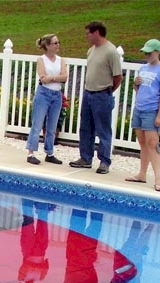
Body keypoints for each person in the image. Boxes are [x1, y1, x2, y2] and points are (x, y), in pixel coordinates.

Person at [69, 21, 123, 174]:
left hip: (102, 95)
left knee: (103, 129)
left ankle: (104, 161)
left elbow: (118, 76)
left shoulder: (111, 51)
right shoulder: (91, 50)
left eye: (88, 33)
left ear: (97, 32)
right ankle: (85, 158)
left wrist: (107, 91)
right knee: (86, 128)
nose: (87, 36)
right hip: (88, 93)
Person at [125, 39, 160, 192]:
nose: (147, 56)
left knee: (153, 144)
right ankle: (142, 173)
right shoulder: (143, 68)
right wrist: (136, 84)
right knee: (143, 143)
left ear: (157, 52)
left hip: (152, 110)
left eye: (149, 53)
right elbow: (140, 90)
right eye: (145, 53)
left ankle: (158, 178)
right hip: (139, 108)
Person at [55, 209, 103, 283]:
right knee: (95, 224)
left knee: (76, 222)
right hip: (84, 257)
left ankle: (81, 201)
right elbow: (94, 281)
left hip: (73, 254)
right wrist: (87, 265)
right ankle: (98, 204)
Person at [26, 34, 68, 165]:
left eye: (58, 42)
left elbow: (65, 77)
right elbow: (43, 79)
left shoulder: (61, 60)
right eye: (55, 43)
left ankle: (49, 152)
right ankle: (31, 153)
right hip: (43, 94)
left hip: (57, 95)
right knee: (37, 124)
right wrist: (56, 77)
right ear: (48, 45)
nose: (58, 45)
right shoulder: (41, 59)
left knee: (52, 126)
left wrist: (52, 78)